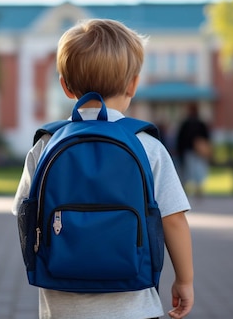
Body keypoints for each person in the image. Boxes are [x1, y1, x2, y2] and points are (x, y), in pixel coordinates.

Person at [13, 19, 194, 319]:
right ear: (133, 84)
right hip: (134, 305)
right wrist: (184, 280)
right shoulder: (146, 146)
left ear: (65, 87)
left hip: (61, 303)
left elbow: (23, 212)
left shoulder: (45, 144)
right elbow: (173, 220)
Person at [175, 103, 211, 199]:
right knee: (197, 171)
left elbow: (180, 139)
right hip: (196, 152)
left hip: (190, 151)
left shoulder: (186, 124)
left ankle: (190, 189)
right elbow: (207, 138)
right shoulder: (200, 124)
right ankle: (197, 189)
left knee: (189, 171)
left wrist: (180, 151)